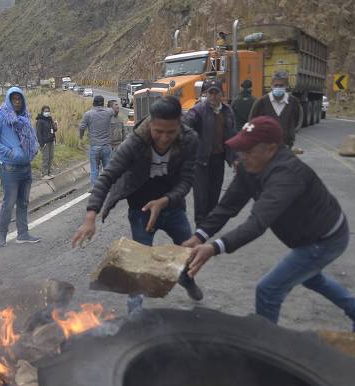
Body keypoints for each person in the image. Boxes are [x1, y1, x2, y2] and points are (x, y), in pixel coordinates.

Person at [183, 116, 355, 332]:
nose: (241, 156)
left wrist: (214, 248)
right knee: (310, 278)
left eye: (248, 150)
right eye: (240, 149)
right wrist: (199, 236)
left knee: (268, 289)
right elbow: (227, 206)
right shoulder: (249, 166)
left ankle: (267, 347)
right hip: (308, 236)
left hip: (326, 239)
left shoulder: (287, 174)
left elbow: (257, 223)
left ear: (271, 149)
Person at [72, 96, 203, 312]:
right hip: (140, 209)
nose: (163, 138)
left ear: (179, 124)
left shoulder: (190, 140)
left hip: (173, 205)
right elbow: (107, 176)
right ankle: (135, 311)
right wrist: (90, 216)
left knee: (187, 252)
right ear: (151, 123)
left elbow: (187, 180)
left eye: (170, 132)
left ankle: (187, 280)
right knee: (138, 264)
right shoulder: (135, 142)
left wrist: (164, 201)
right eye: (158, 131)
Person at [0, 86, 41, 247]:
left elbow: (30, 137)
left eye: (19, 99)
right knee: (8, 204)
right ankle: (1, 236)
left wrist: (34, 148)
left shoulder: (25, 117)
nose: (17, 102)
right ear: (8, 100)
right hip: (9, 169)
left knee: (23, 202)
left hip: (26, 167)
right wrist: (9, 153)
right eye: (14, 99)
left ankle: (23, 234)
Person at [183, 78, 236, 226]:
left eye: (216, 92)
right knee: (201, 195)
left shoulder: (227, 111)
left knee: (214, 193)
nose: (213, 96)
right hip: (200, 161)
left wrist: (234, 158)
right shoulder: (198, 110)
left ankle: (209, 224)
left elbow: (232, 135)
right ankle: (200, 224)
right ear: (206, 94)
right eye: (210, 93)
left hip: (218, 159)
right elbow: (185, 125)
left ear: (221, 94)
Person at [248, 70, 301, 148]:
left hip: (286, 146)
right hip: (265, 147)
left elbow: (297, 120)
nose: (278, 88)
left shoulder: (293, 102)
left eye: (281, 85)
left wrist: (290, 135)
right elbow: (252, 122)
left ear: (286, 85)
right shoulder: (261, 102)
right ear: (271, 85)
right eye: (276, 85)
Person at [79, 95, 113, 186]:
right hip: (106, 145)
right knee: (107, 169)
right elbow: (113, 110)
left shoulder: (88, 114)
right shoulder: (109, 112)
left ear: (93, 103)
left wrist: (81, 137)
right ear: (103, 103)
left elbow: (81, 127)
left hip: (94, 146)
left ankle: (94, 188)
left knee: (94, 169)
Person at [35, 105, 58, 179]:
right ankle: (44, 174)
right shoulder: (39, 121)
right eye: (46, 111)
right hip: (45, 143)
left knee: (51, 157)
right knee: (46, 158)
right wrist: (42, 144)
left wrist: (55, 126)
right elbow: (38, 133)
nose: (47, 112)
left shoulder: (49, 119)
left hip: (51, 141)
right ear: (42, 112)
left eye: (48, 111)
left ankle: (48, 173)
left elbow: (53, 130)